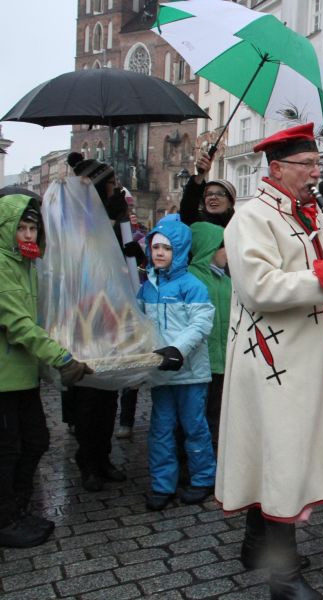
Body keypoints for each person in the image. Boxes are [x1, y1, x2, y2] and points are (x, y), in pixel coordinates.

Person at [216, 123, 323, 600]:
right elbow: (258, 288)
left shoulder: (314, 214)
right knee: (283, 457)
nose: (315, 174)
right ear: (277, 168)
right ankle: (281, 578)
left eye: (317, 165)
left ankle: (252, 542)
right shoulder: (251, 219)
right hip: (273, 361)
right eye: (307, 166)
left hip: (313, 357)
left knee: (279, 451)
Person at [0, 194, 93, 548]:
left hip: (22, 376)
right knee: (8, 450)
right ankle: (5, 519)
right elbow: (20, 325)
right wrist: (63, 359)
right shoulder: (3, 265)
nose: (27, 235)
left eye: (32, 228)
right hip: (4, 381)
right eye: (21, 228)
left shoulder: (26, 265)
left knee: (35, 441)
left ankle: (16, 509)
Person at [137, 218, 217, 511]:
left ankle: (203, 479)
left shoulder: (192, 286)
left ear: (180, 250)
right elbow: (138, 324)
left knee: (194, 427)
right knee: (160, 429)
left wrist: (177, 350)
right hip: (161, 374)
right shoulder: (147, 288)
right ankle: (162, 484)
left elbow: (201, 323)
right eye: (155, 246)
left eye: (167, 248)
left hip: (190, 374)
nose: (159, 253)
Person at [64, 152, 130, 492]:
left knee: (109, 395)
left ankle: (102, 457)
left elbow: (123, 258)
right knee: (89, 396)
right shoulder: (80, 223)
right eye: (113, 185)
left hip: (112, 316)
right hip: (85, 318)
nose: (118, 190)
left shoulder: (114, 218)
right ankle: (87, 461)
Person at [188, 222, 231, 451]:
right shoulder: (192, 279)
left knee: (217, 415)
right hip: (200, 364)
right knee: (197, 418)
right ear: (209, 247)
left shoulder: (226, 281)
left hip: (222, 363)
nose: (229, 251)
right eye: (223, 246)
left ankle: (213, 461)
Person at [179, 151, 237, 227]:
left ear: (230, 203)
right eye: (209, 194)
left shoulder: (238, 226)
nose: (213, 197)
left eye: (220, 194)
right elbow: (189, 205)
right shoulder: (196, 221)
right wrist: (200, 175)